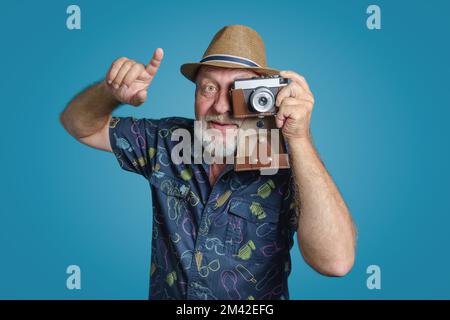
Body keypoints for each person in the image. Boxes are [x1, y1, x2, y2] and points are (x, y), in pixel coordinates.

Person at [60, 25, 356, 300]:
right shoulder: (167, 140)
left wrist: (300, 139)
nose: (221, 107)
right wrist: (109, 94)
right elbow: (79, 125)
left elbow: (336, 262)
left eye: (239, 92)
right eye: (209, 88)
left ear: (267, 98)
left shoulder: (287, 161)